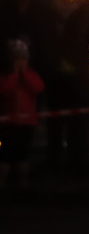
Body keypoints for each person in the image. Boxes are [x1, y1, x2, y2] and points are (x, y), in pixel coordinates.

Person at [0, 39, 45, 189]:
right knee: (5, 154)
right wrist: (14, 74)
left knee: (23, 154)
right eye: (17, 59)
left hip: (27, 123)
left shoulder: (31, 74)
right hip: (8, 123)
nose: (20, 62)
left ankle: (22, 182)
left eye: (23, 59)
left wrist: (24, 74)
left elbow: (38, 88)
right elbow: (4, 90)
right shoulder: (5, 76)